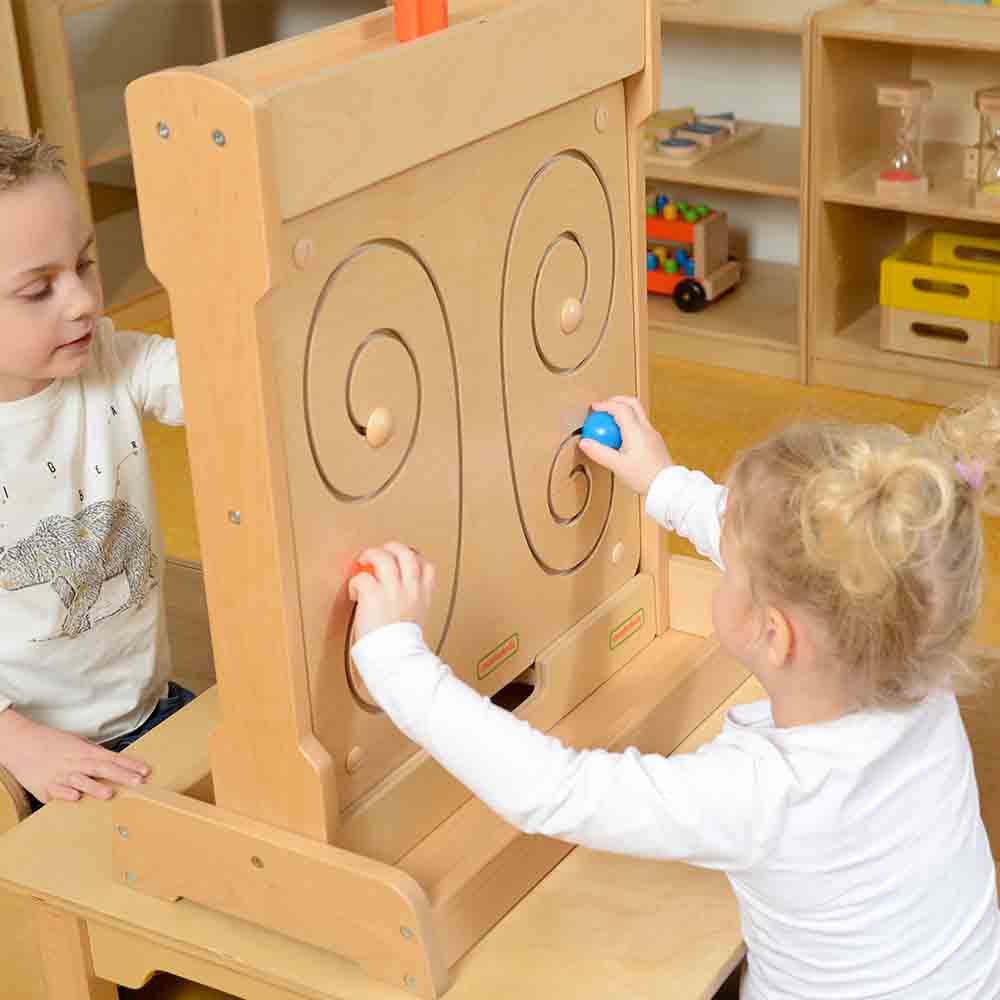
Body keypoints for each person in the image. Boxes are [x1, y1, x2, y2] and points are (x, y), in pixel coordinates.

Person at [348, 394, 1000, 998]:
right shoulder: (915, 662)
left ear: (774, 634)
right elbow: (809, 569)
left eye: (736, 567)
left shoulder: (769, 796)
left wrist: (394, 657)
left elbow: (552, 790)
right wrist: (663, 484)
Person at [0, 129, 191, 809]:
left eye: (83, 265)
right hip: (27, 756)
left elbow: (216, 379)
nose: (82, 301)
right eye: (37, 290)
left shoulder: (107, 359)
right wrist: (15, 741)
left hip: (146, 708)